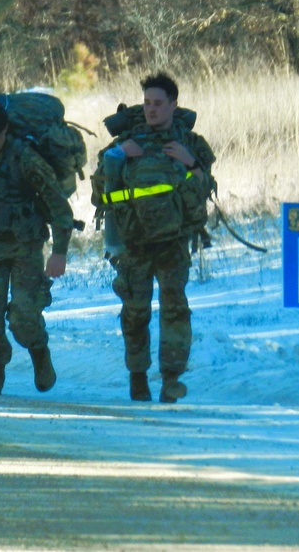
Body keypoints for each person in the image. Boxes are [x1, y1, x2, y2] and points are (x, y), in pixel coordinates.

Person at [100, 72, 215, 403]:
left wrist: (190, 163)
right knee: (135, 311)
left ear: (173, 105)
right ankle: (138, 375)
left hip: (174, 242)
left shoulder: (191, 145)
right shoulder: (124, 144)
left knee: (175, 309)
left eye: (158, 103)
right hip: (133, 241)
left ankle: (171, 378)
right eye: (147, 103)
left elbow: (206, 188)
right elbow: (103, 196)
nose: (151, 109)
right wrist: (119, 159)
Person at [0, 101, 76, 395]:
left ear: (6, 131)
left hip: (25, 246)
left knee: (23, 315)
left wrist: (60, 252)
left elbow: (59, 206)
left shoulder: (25, 158)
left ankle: (39, 352)